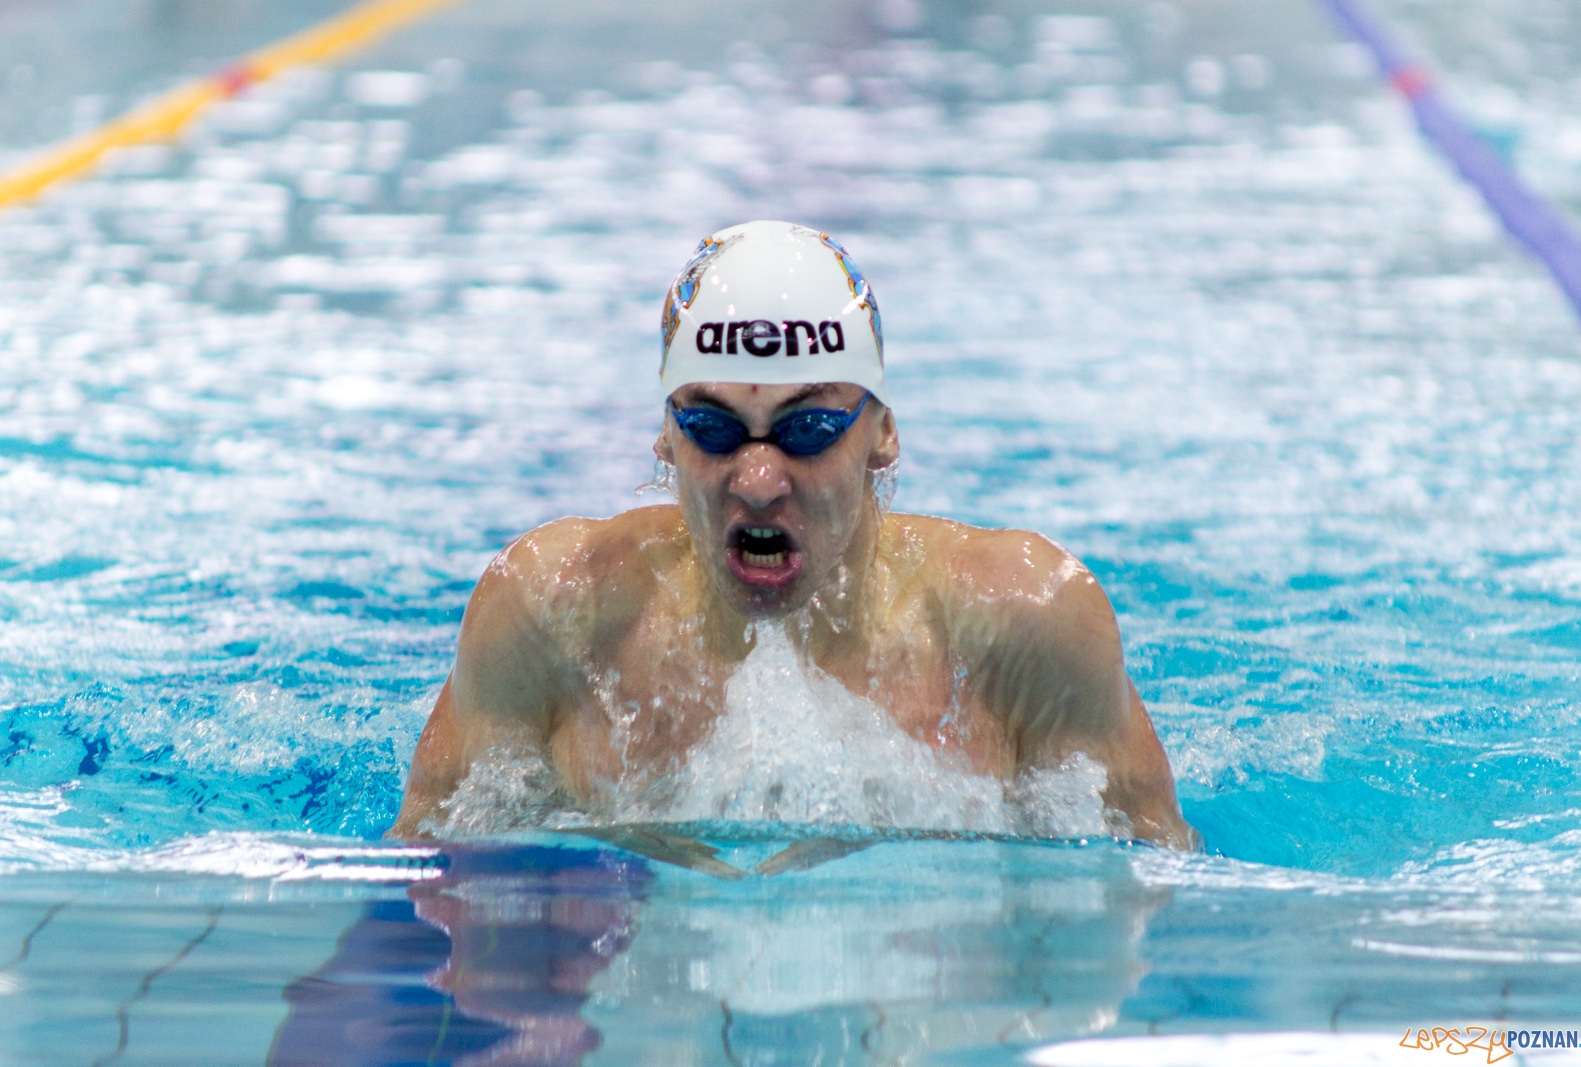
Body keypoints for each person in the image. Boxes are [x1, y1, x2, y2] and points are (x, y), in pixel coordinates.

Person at [391, 220, 1197, 849]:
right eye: (712, 427)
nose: (759, 479)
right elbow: (428, 890)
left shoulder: (1029, 624)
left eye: (808, 427)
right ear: (665, 437)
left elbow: (1150, 894)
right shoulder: (550, 615)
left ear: (881, 432)